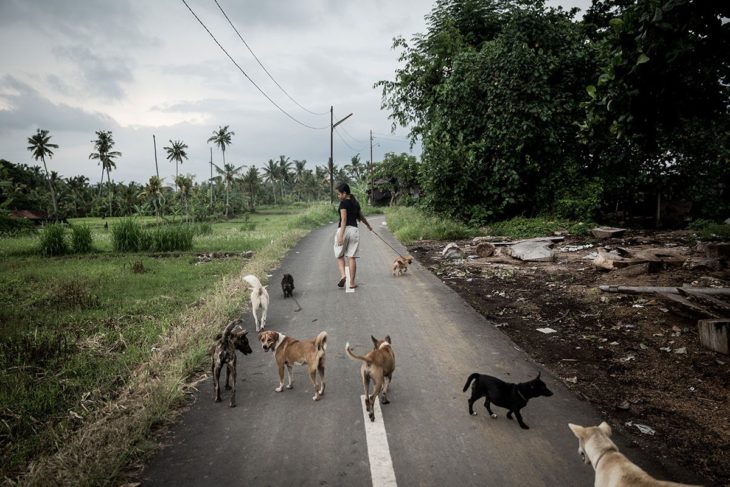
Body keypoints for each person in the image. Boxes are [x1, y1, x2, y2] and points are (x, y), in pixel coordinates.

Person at [334, 182, 373, 289]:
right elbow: (361, 217)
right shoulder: (355, 203)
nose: (338, 196)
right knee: (352, 257)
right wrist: (368, 226)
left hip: (344, 230)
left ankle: (343, 275)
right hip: (354, 231)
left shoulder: (343, 203)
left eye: (339, 194)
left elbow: (343, 220)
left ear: (344, 193)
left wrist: (341, 236)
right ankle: (351, 283)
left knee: (340, 255)